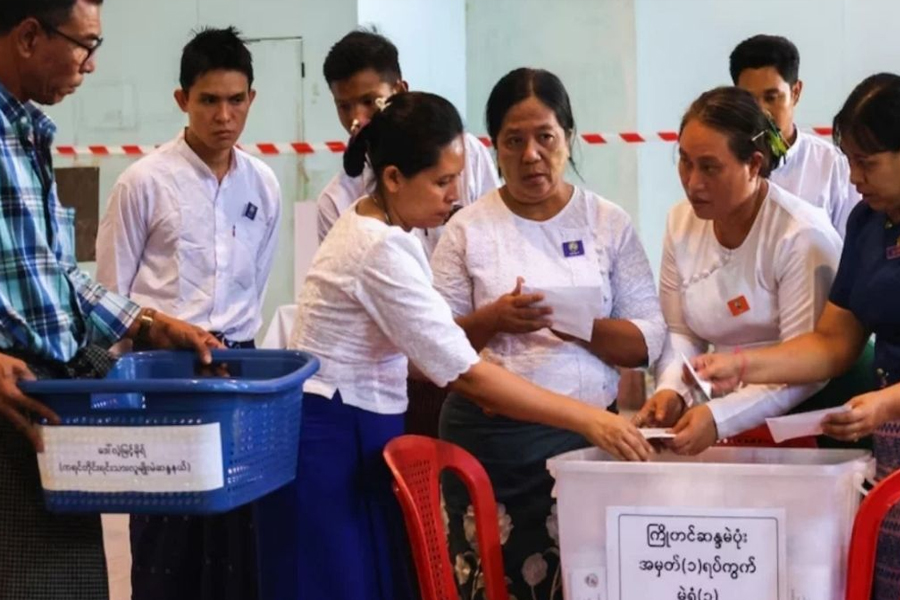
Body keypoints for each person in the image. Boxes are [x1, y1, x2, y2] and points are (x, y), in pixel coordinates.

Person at [253, 91, 654, 600]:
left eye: (458, 178)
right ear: (394, 178)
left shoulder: (387, 228)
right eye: (442, 181)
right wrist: (591, 419)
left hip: (361, 427)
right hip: (336, 433)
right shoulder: (381, 247)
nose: (454, 194)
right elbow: (465, 372)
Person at [0, 2, 222, 599]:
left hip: (48, 397)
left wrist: (148, 323)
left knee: (69, 579)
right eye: (85, 45)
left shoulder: (24, 132)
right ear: (29, 36)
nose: (91, 65)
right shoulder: (144, 179)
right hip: (9, 396)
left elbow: (54, 275)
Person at [429, 67, 665, 600]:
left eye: (545, 137)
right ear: (494, 149)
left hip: (590, 440)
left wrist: (577, 324)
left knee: (588, 583)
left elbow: (647, 341)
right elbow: (435, 350)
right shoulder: (467, 229)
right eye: (514, 141)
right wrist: (494, 319)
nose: (531, 155)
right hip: (493, 446)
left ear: (569, 137)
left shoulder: (606, 222)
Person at [693, 73, 900, 600]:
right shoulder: (868, 224)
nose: (853, 178)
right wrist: (743, 366)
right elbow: (833, 342)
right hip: (889, 438)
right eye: (848, 160)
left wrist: (886, 403)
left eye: (867, 163)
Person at [95, 27, 281, 600]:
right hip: (163, 377)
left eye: (236, 100)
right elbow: (109, 296)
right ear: (182, 100)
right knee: (165, 537)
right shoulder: (143, 183)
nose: (224, 116)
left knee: (238, 532)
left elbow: (255, 288)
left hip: (237, 368)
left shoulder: (263, 184)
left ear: (252, 98)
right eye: (209, 100)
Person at [634, 86, 845, 455]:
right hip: (723, 414)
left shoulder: (800, 235)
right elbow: (681, 331)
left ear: (755, 165)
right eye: (685, 162)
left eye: (710, 167)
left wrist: (720, 417)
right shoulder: (680, 222)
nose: (693, 182)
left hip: (807, 420)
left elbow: (806, 368)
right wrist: (672, 391)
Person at [317, 29, 498, 255]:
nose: (357, 118)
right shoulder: (336, 201)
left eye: (369, 101)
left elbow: (495, 237)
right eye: (344, 106)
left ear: (400, 90)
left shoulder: (466, 153)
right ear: (392, 179)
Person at [730, 34, 860, 237]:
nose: (761, 112)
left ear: (796, 92)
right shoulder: (727, 161)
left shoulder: (831, 165)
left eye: (771, 98)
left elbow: (850, 242)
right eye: (749, 99)